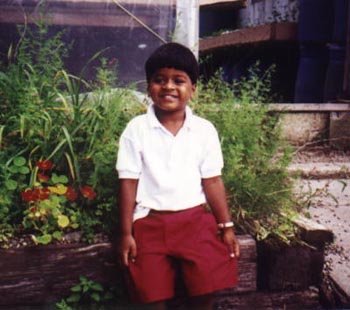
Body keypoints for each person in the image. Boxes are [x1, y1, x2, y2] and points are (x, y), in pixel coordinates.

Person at [116, 42, 240, 310]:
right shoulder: (136, 130)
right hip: (150, 224)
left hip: (194, 221)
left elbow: (212, 181)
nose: (169, 86)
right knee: (151, 295)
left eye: (179, 80)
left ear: (193, 89)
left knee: (207, 283)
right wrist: (126, 233)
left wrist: (226, 227)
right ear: (148, 86)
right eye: (159, 80)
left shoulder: (204, 131)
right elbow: (128, 183)